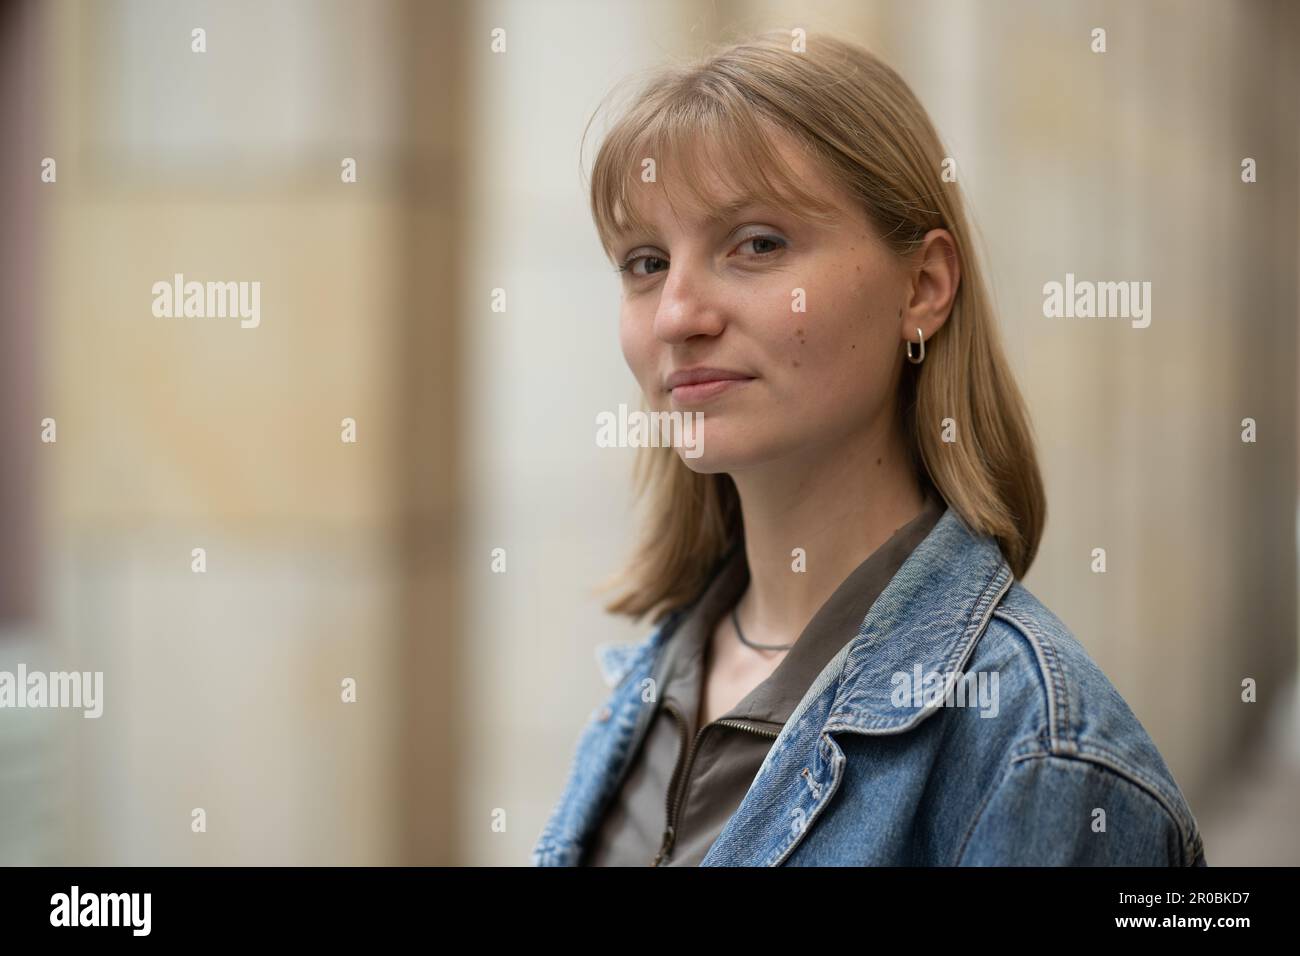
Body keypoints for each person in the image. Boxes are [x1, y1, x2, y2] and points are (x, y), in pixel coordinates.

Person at [533, 30, 1206, 866]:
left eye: (758, 244)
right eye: (645, 261)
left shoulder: (1039, 753)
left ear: (922, 288)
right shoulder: (652, 679)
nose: (677, 315)